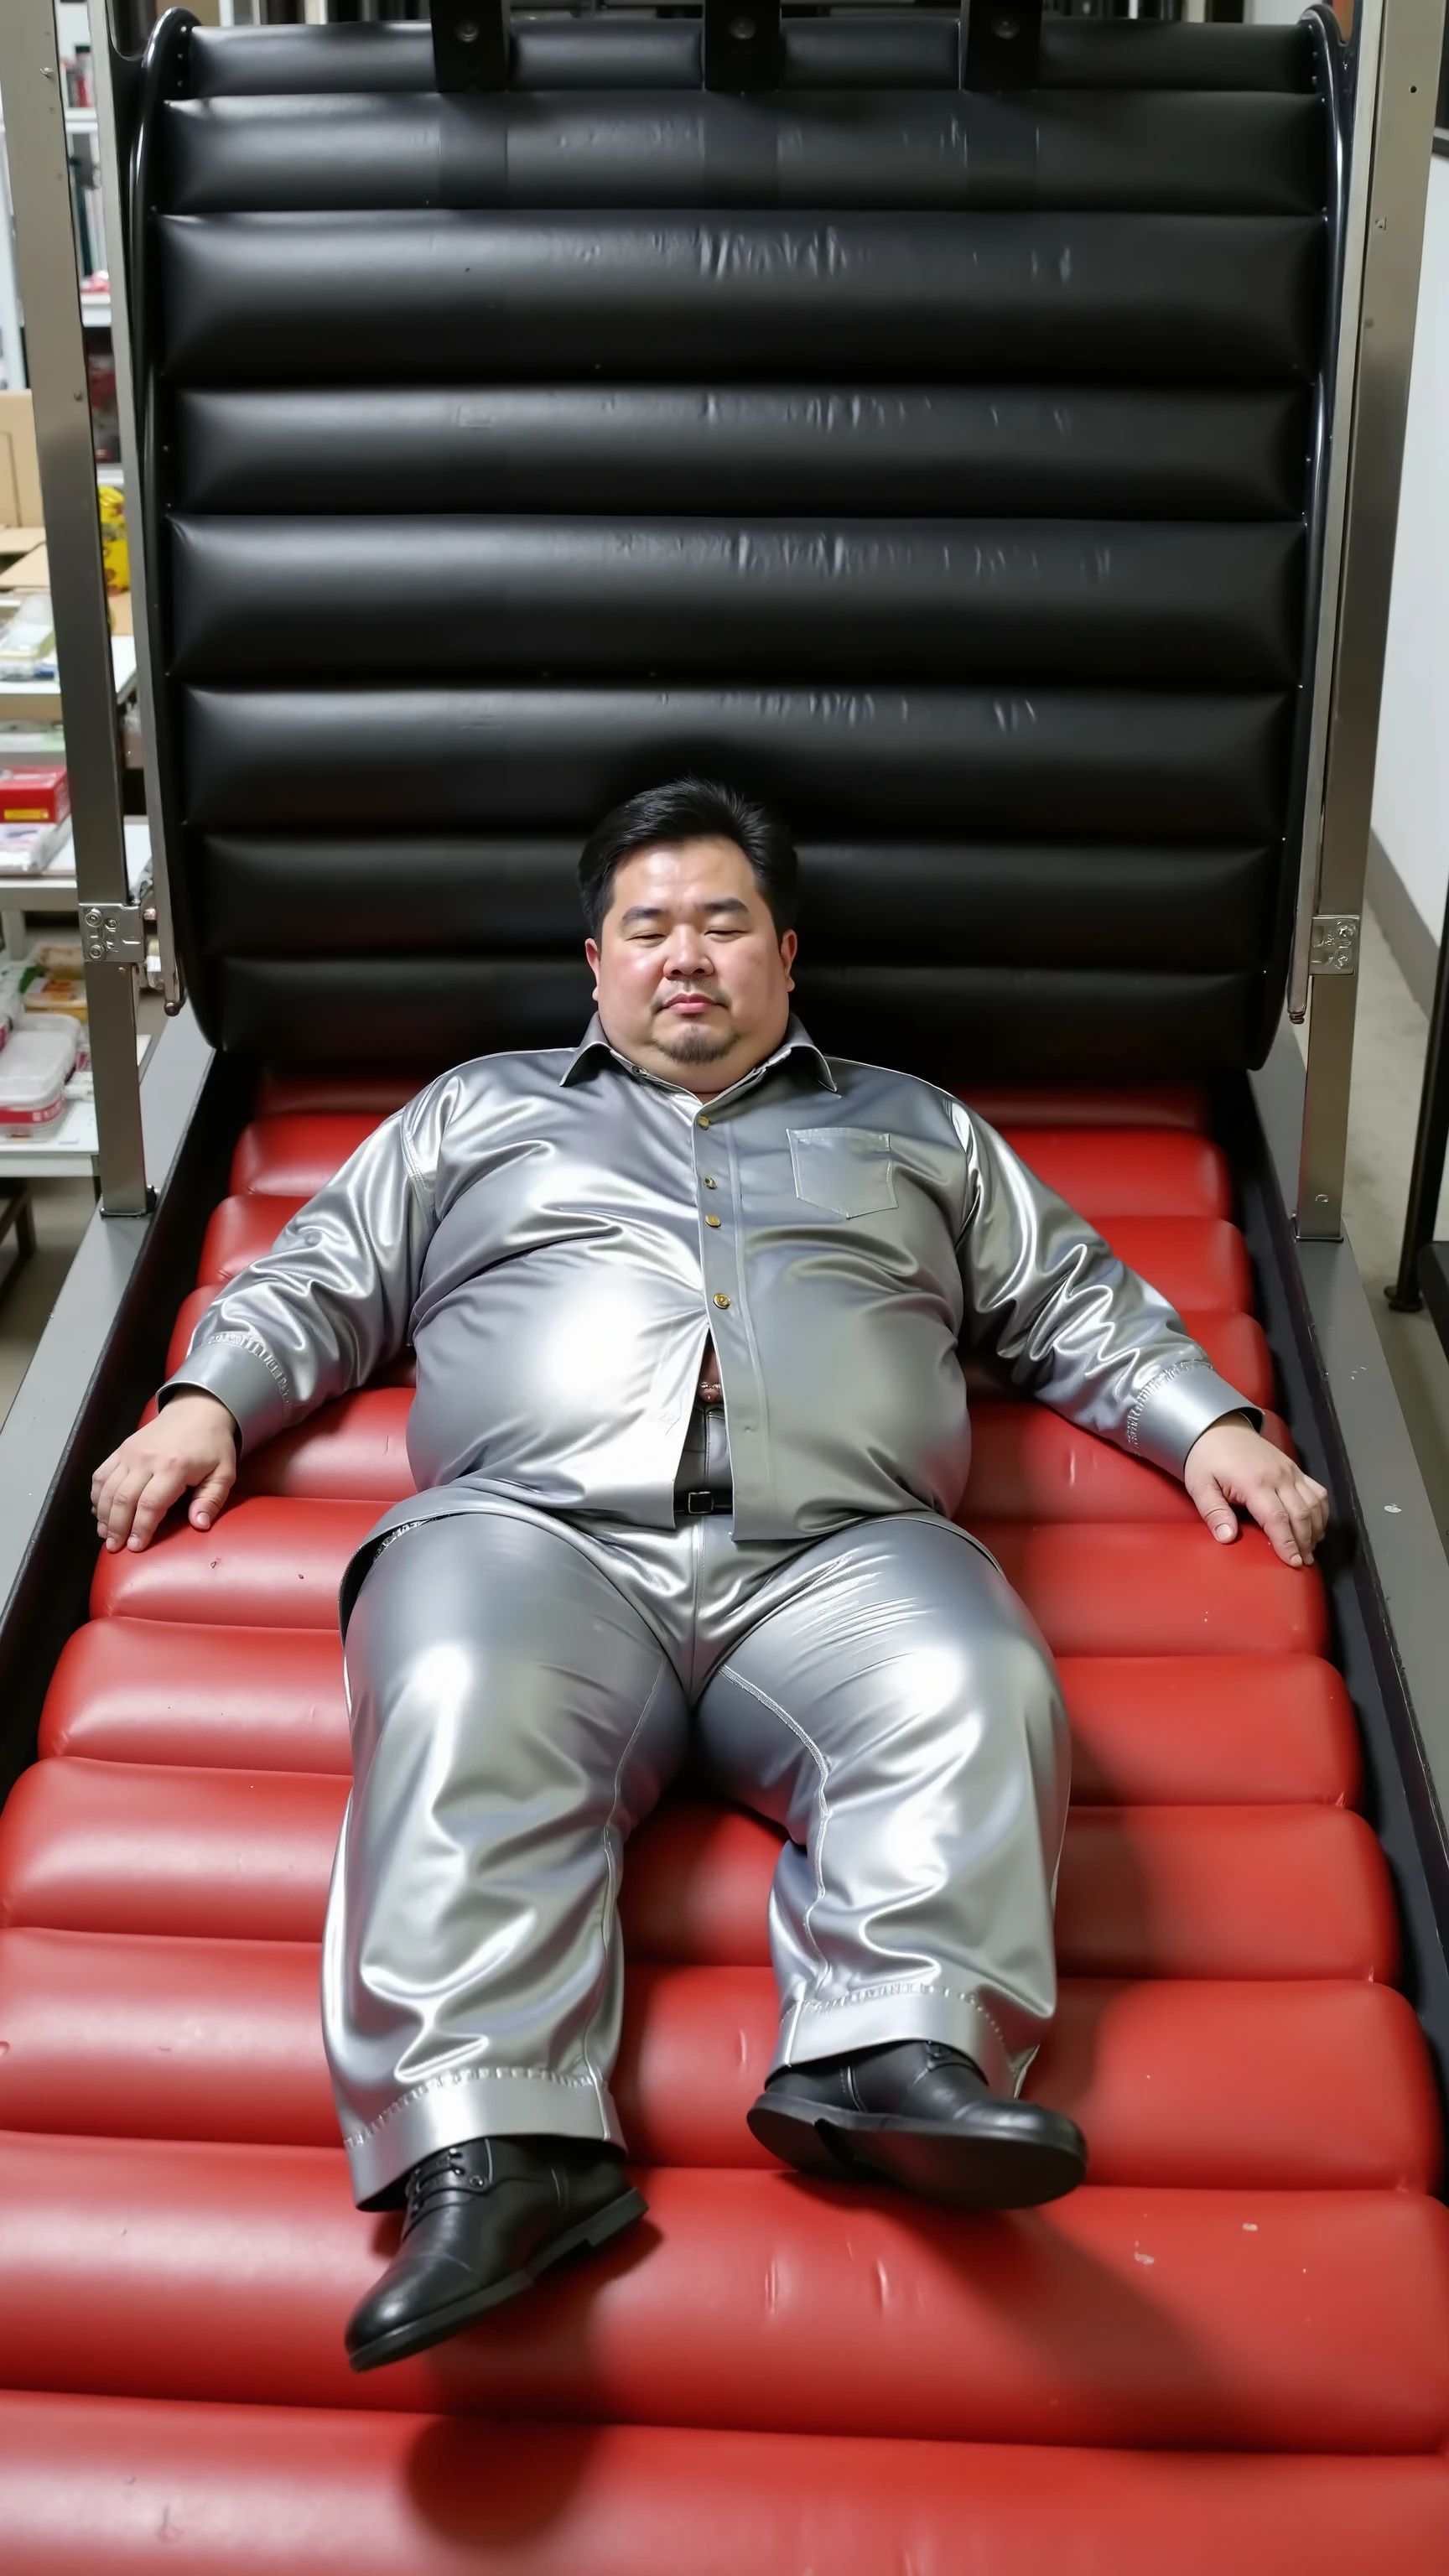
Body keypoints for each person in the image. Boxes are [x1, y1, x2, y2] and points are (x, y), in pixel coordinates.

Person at [91, 778, 1327, 2375]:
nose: (689, 956)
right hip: (532, 1536)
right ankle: (500, 2151)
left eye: (725, 923)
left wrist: (1210, 1422)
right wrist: (206, 1398)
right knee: (463, 1697)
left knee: (979, 1681)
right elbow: (325, 1277)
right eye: (651, 926)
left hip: (841, 1552)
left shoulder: (915, 1125)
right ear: (593, 963)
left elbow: (1072, 1301)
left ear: (787, 956)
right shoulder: (479, 1111)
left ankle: (893, 2061)